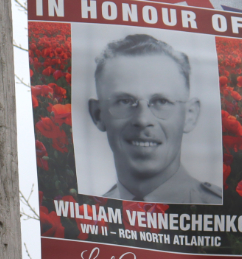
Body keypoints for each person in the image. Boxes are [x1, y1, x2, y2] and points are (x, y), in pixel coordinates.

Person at [88, 33, 222, 204]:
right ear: (98, 114)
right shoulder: (89, 212)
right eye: (125, 101)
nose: (143, 120)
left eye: (161, 101)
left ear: (190, 115)